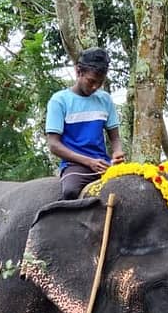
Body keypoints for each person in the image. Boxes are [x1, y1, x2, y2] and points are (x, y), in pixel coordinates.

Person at [45, 47, 125, 200]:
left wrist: (117, 152)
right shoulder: (59, 101)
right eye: (91, 81)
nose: (95, 87)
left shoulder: (105, 99)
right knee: (70, 191)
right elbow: (53, 145)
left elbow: (115, 138)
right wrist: (88, 162)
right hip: (76, 166)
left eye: (100, 83)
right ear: (78, 72)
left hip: (104, 164)